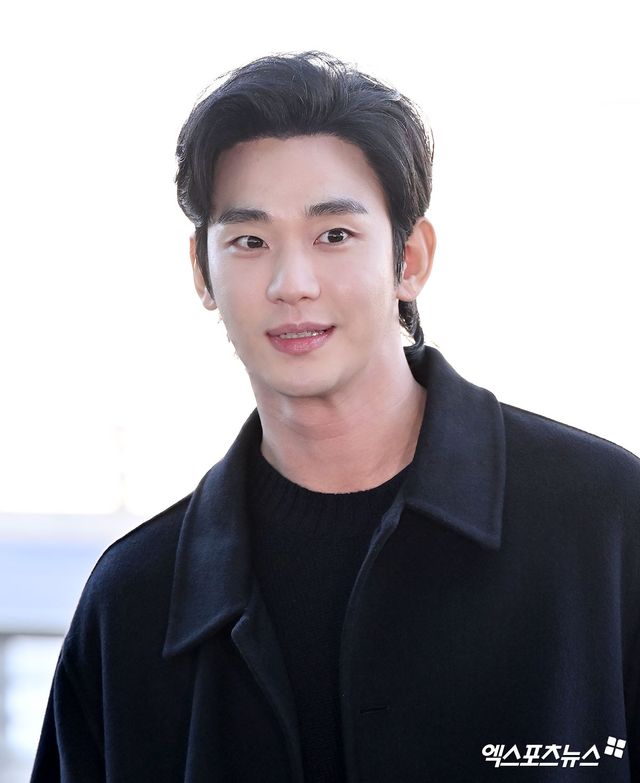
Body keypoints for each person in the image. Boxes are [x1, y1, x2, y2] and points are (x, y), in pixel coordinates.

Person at [31, 50, 639, 783]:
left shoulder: (605, 520)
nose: (292, 284)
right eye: (250, 241)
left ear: (410, 258)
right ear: (202, 272)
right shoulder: (133, 601)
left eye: (334, 235)